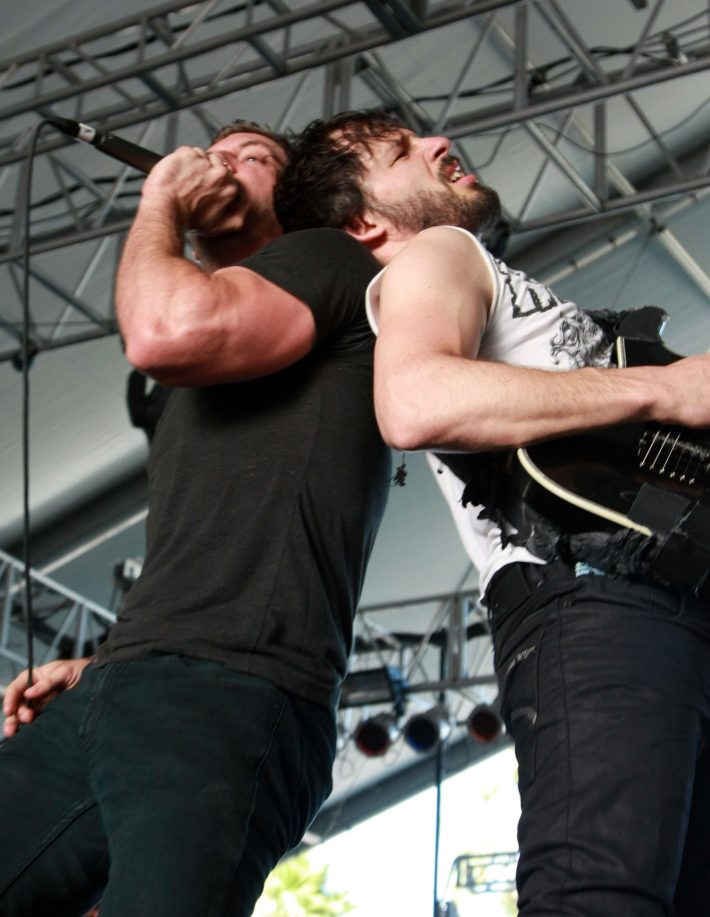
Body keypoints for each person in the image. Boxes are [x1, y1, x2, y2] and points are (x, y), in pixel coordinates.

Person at [273, 109, 710, 916]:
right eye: (401, 151)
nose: (440, 142)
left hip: (660, 592)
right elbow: (416, 399)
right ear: (364, 223)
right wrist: (665, 389)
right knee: (596, 898)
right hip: (592, 597)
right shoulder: (439, 252)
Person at [0, 120, 391, 916]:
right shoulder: (199, 378)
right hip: (128, 680)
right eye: (215, 151)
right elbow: (216, 548)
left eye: (254, 156)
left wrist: (162, 201)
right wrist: (105, 664)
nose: (219, 161)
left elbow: (159, 331)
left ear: (296, 196)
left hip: (234, 694)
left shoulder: (330, 260)